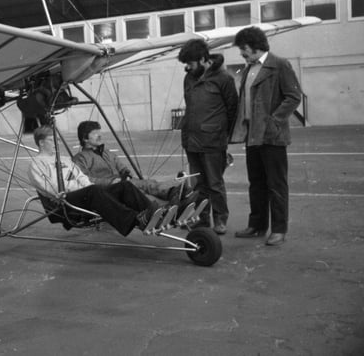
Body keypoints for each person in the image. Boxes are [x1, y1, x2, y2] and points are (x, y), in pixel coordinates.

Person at [28, 125, 170, 236]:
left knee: (124, 186)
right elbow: (49, 185)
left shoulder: (64, 159)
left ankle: (154, 213)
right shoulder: (37, 163)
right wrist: (73, 188)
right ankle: (136, 220)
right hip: (63, 202)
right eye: (52, 140)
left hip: (84, 194)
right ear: (41, 142)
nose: (56, 143)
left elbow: (81, 177)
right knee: (93, 190)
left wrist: (88, 186)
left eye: (57, 139)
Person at [230, 26, 301, 246]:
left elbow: (293, 96)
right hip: (252, 135)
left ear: (256, 45)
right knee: (257, 183)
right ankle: (257, 226)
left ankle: (279, 229)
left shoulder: (279, 65)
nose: (241, 52)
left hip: (272, 136)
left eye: (244, 48)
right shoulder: (249, 68)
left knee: (276, 184)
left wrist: (274, 120)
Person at [177, 39, 238, 235]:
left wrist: (221, 135)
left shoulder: (224, 79)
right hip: (191, 141)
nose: (187, 67)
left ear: (203, 59)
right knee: (198, 185)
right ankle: (201, 219)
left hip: (213, 142)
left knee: (214, 183)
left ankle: (220, 220)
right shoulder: (189, 78)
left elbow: (232, 110)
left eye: (190, 63)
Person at [72, 121, 197, 207]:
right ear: (85, 138)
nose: (100, 135)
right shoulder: (80, 158)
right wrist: (110, 182)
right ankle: (168, 198)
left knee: (143, 184)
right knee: (139, 187)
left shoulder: (106, 152)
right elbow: (85, 180)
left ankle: (174, 194)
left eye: (99, 131)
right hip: (106, 190)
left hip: (121, 184)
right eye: (95, 133)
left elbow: (121, 166)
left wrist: (126, 173)